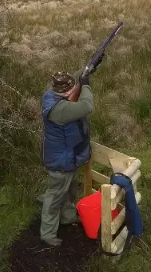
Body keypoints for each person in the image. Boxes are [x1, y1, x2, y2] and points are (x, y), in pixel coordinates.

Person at [37, 68, 95, 247]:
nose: (73, 89)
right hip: (61, 161)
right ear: (65, 91)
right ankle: (47, 234)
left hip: (67, 157)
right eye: (71, 88)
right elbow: (87, 106)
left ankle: (68, 217)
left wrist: (86, 73)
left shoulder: (51, 95)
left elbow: (74, 85)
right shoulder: (61, 109)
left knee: (69, 190)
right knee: (54, 198)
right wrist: (85, 86)